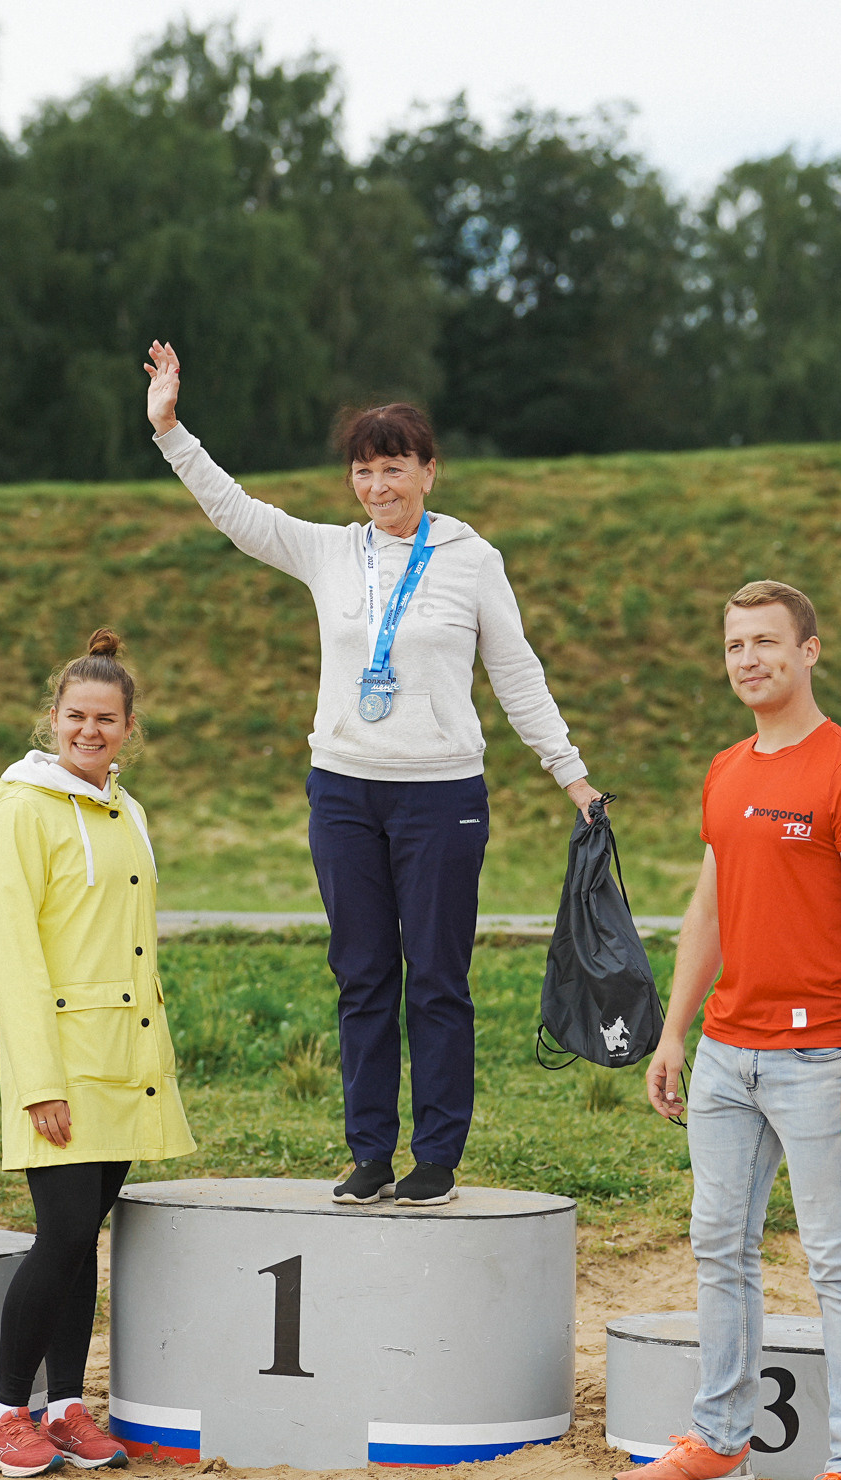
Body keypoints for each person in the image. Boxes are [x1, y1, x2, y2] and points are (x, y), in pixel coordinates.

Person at [143, 340, 600, 1208]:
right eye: (363, 471)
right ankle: (366, 1154)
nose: (377, 487)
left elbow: (517, 672)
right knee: (361, 974)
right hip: (344, 790)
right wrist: (171, 430)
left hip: (442, 796)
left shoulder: (471, 559)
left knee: (435, 976)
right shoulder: (327, 551)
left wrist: (571, 775)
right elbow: (236, 513)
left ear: (429, 470)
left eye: (393, 468)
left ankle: (435, 1157)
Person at [622, 580, 841, 1480]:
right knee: (718, 1250)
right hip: (727, 1055)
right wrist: (674, 1030)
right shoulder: (726, 771)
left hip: (823, 1058)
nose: (749, 659)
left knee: (838, 1262)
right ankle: (720, 1441)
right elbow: (709, 910)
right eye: (736, 645)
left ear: (810, 651)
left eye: (767, 643)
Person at [0, 630, 194, 1478]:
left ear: (129, 727)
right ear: (53, 719)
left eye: (106, 718)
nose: (89, 730)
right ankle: (3, 1416)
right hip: (61, 1066)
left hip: (124, 1065)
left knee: (81, 1241)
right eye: (76, 716)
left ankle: (65, 1406)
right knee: (59, 1234)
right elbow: (15, 956)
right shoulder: (23, 809)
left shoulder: (125, 808)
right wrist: (38, 1082)